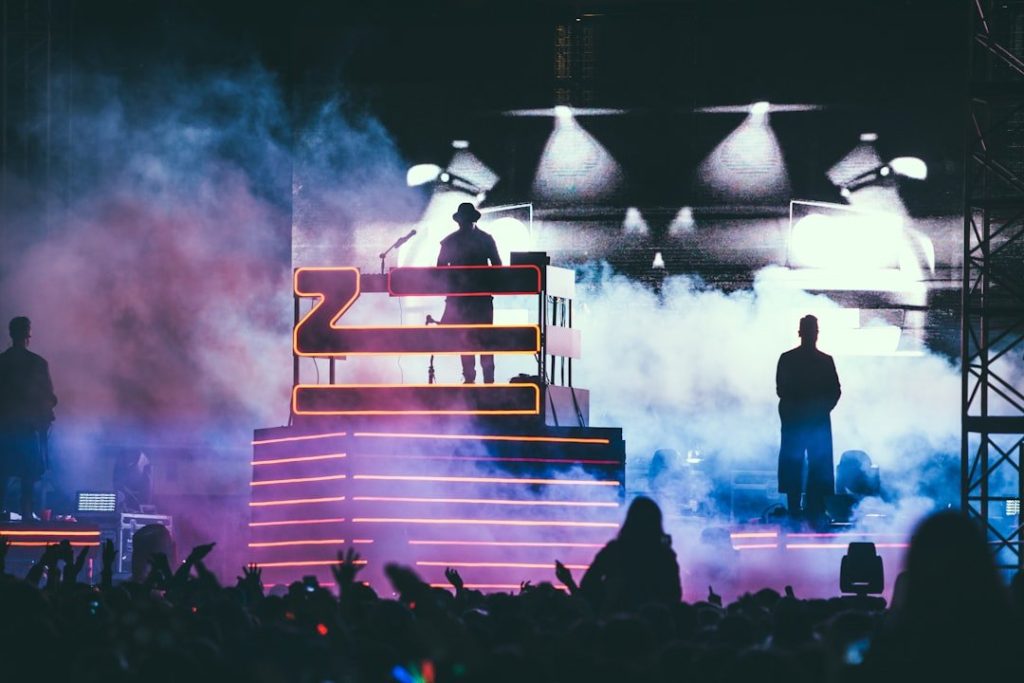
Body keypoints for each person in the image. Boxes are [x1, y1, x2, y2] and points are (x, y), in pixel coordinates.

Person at [776, 314, 840, 525]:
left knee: (796, 462)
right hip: (813, 420)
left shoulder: (788, 358)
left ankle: (799, 507)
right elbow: (835, 391)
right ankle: (814, 507)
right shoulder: (824, 360)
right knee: (814, 462)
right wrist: (819, 410)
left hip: (797, 421)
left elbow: (782, 390)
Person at [574, 496, 682, 610]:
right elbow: (674, 595)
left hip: (615, 619)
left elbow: (587, 585)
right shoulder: (664, 555)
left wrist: (607, 594)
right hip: (654, 622)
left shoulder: (614, 550)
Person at [437, 202, 502, 384]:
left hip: (465, 300)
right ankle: (479, 380)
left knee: (474, 340)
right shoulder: (485, 239)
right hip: (476, 299)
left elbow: (439, 270)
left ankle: (479, 380)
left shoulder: (450, 241)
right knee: (473, 340)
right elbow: (498, 267)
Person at [0, 317, 57, 521]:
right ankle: (26, 513)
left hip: (5, 429)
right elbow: (47, 397)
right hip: (26, 429)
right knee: (29, 475)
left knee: (3, 473)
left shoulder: (2, 362)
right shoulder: (37, 363)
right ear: (28, 334)